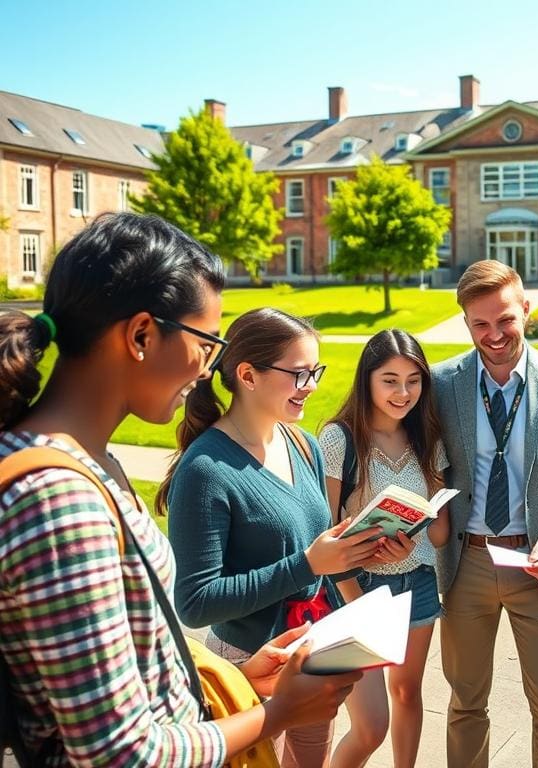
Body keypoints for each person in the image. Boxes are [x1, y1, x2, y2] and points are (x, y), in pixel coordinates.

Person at [0, 213, 360, 766]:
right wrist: (278, 714)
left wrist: (236, 677)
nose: (209, 367)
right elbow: (120, 754)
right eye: (206, 341)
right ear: (143, 334)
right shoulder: (58, 500)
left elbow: (130, 679)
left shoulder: (93, 464)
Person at [160, 307, 383, 768]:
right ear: (248, 375)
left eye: (315, 372)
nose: (313, 386)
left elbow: (317, 549)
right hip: (251, 669)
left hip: (317, 652)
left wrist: (364, 551)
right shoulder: (206, 471)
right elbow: (195, 602)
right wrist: (307, 564)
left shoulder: (304, 445)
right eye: (300, 374)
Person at [432, 260, 538, 768]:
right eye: (480, 324)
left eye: (505, 319)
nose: (494, 334)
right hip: (467, 566)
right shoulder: (442, 384)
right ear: (466, 324)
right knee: (465, 705)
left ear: (526, 308)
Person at [317, 328, 450, 768]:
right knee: (369, 726)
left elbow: (441, 535)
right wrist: (358, 589)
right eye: (390, 380)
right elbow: (325, 531)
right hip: (358, 589)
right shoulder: (339, 439)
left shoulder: (427, 438)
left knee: (408, 692)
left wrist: (414, 530)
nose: (403, 392)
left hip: (419, 584)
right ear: (367, 380)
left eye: (414, 380)